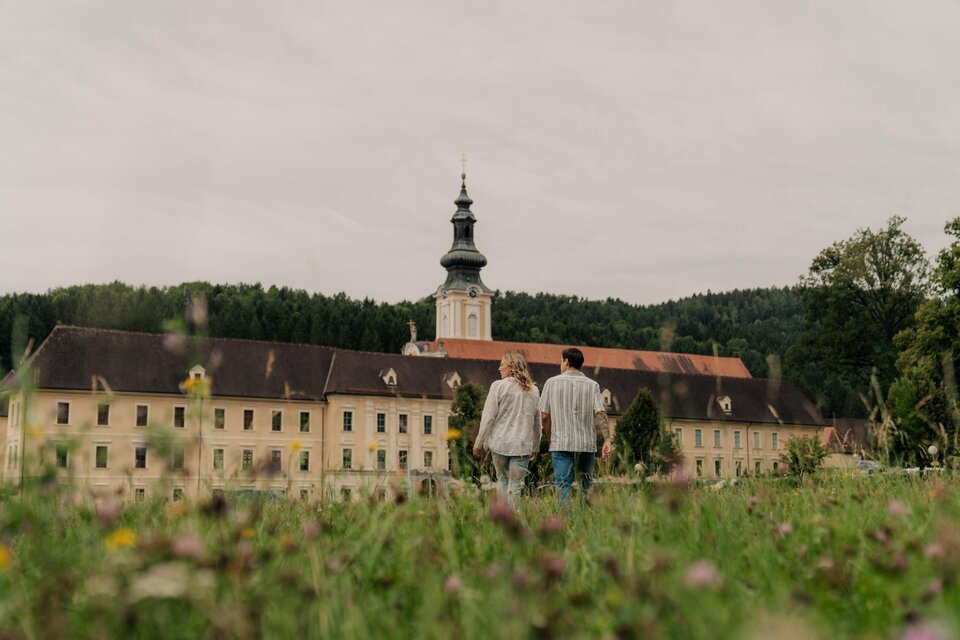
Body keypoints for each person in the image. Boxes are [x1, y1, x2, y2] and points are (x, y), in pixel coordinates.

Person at [538, 347, 611, 503]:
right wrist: (607, 440)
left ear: (566, 361)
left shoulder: (551, 383)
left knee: (563, 486)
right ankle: (586, 523)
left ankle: (565, 522)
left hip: (560, 443)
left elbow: (544, 416)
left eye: (561, 360)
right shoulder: (593, 385)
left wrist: (551, 438)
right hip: (586, 444)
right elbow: (600, 413)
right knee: (586, 486)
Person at [473, 353, 542, 507]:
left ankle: (502, 519)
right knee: (516, 487)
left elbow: (488, 417)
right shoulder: (534, 391)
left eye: (502, 364)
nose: (499, 368)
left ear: (511, 368)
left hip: (500, 443)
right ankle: (514, 520)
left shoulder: (498, 386)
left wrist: (478, 443)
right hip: (522, 445)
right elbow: (537, 422)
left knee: (502, 482)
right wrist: (535, 445)